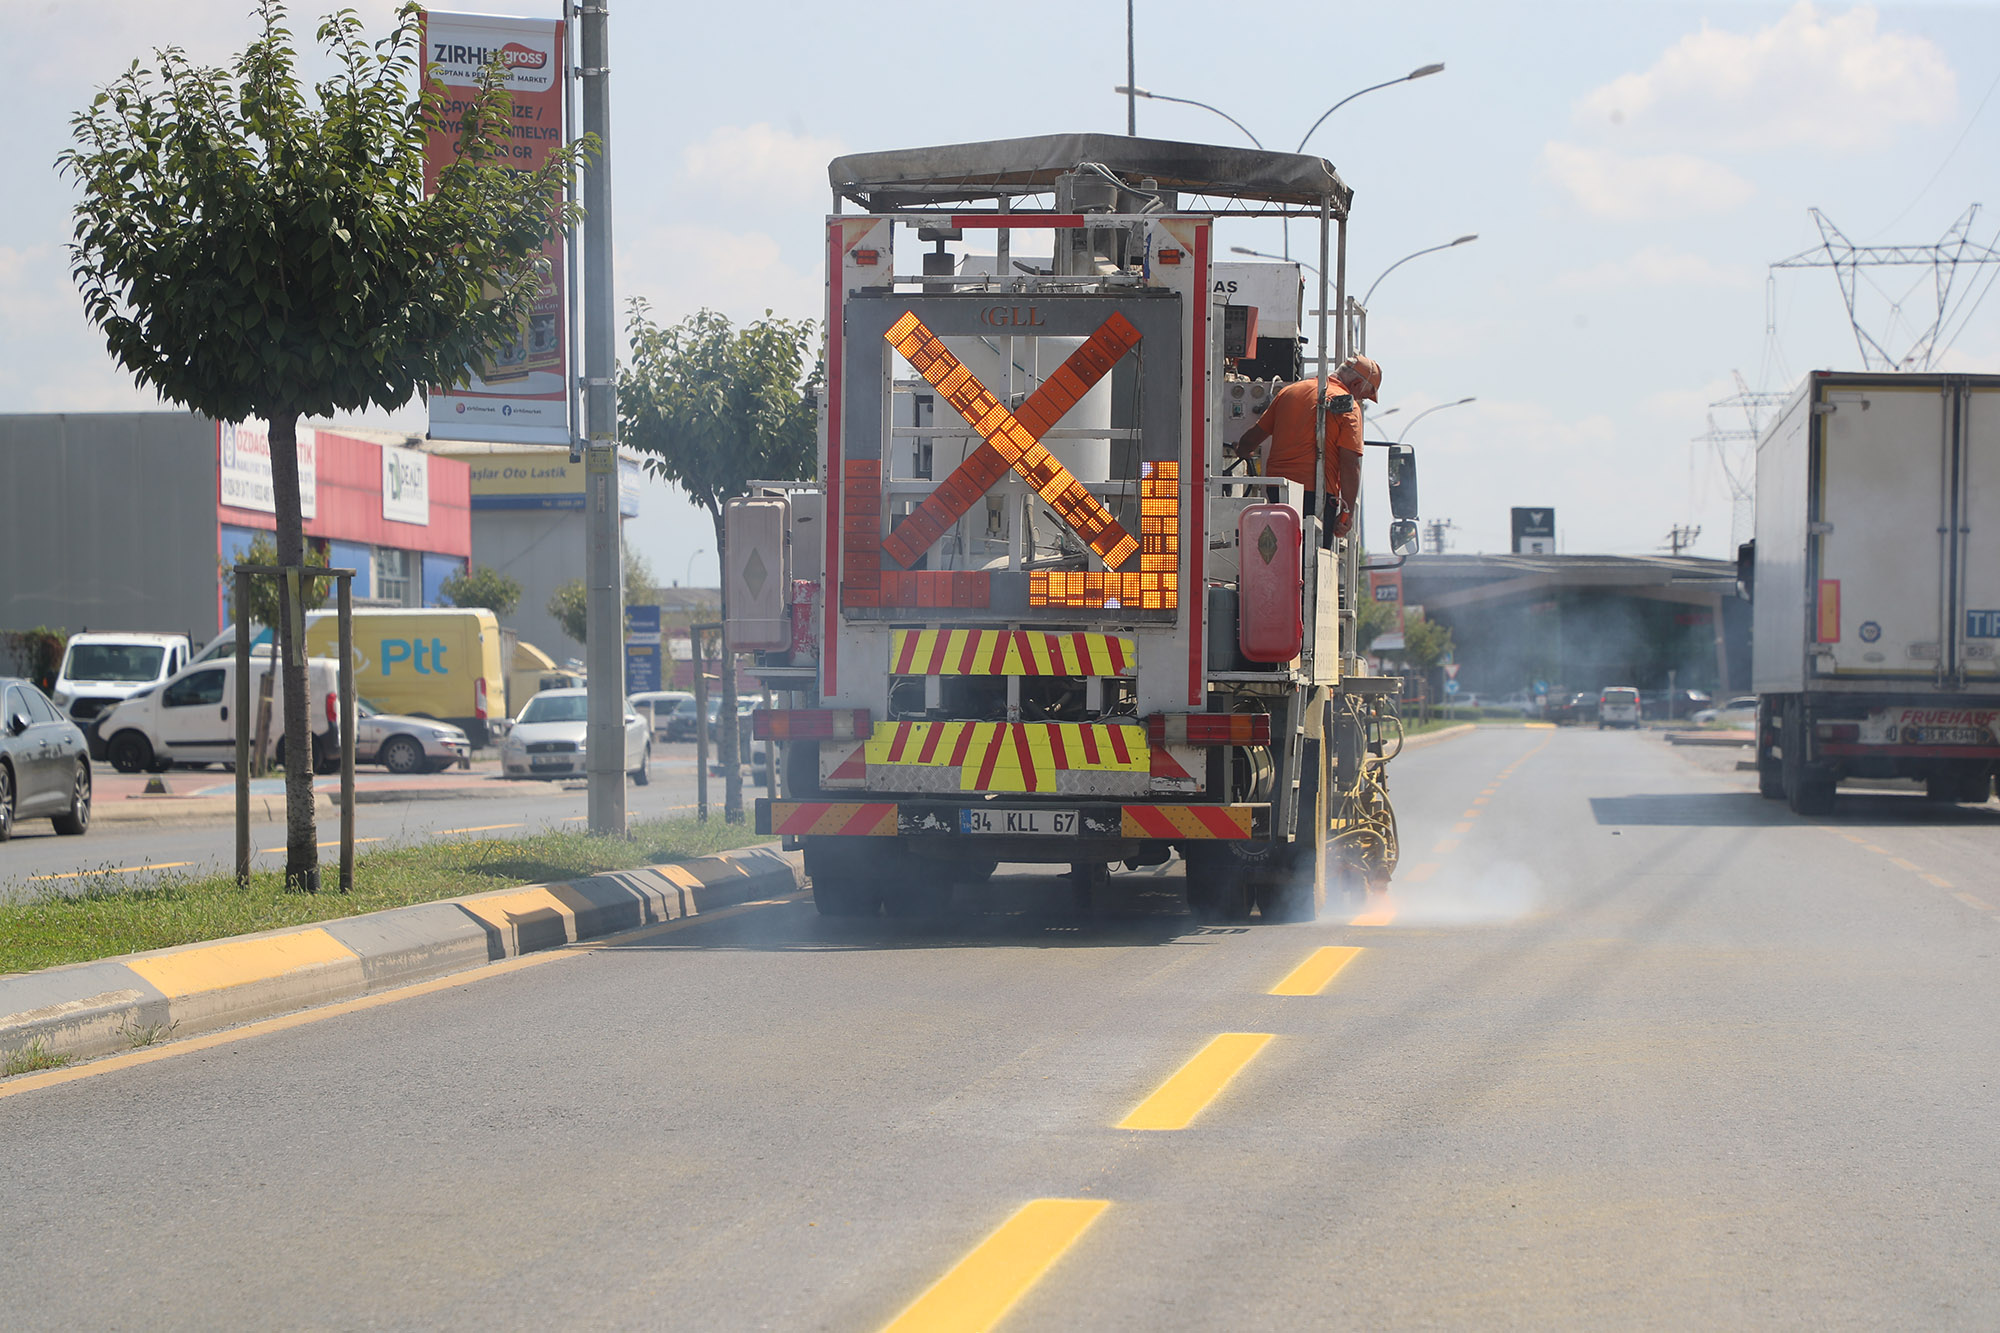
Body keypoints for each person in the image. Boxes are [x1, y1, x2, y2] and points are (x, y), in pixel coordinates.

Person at [1232, 354, 1381, 536]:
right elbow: (1350, 464)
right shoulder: (1348, 407)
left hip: (1278, 491)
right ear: (1356, 384)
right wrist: (1347, 513)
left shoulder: (1288, 392)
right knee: (1309, 558)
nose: (1358, 400)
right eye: (1363, 397)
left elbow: (1249, 441)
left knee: (1280, 550)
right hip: (1317, 494)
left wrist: (1241, 450)